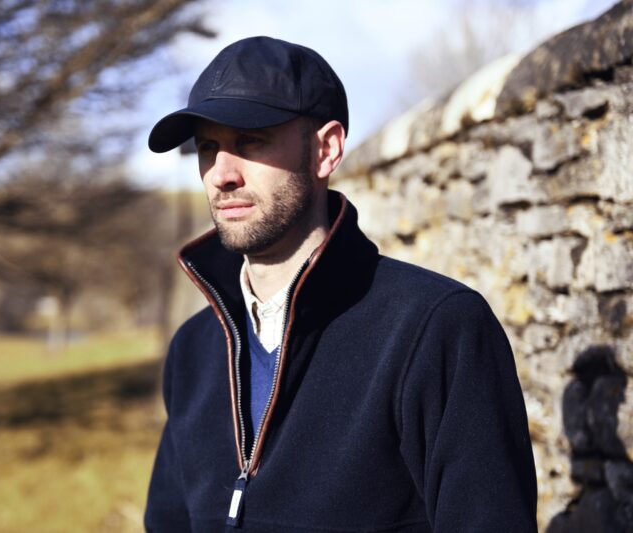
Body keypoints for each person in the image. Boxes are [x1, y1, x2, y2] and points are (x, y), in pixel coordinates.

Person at [144, 36, 537, 532]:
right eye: (208, 147)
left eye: (251, 141)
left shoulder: (436, 328)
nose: (221, 174)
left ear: (326, 149)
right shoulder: (194, 350)